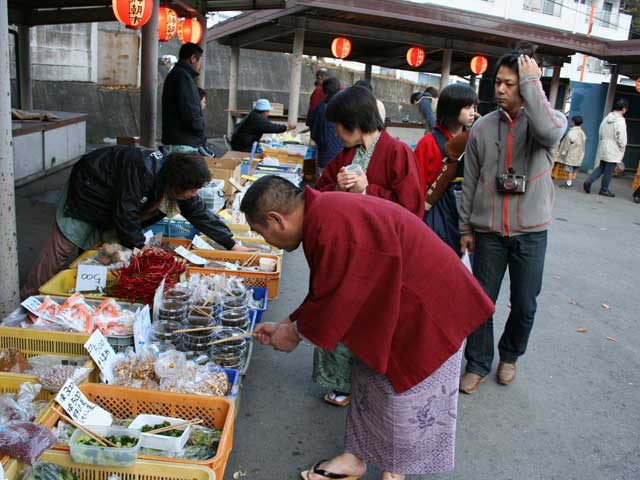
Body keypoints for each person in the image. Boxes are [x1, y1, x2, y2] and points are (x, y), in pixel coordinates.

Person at [242, 176, 494, 480]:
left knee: (408, 398)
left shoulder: (330, 222)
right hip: (392, 303)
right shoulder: (322, 215)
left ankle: (396, 468)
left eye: (261, 232)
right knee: (369, 384)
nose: (266, 241)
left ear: (276, 219)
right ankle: (355, 457)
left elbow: (341, 294)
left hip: (429, 307)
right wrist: (288, 323)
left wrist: (294, 333)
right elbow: (329, 286)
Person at [458, 44, 567, 394]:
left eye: (509, 83)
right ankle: (477, 362)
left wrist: (534, 81)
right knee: (479, 303)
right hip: (488, 232)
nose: (500, 89)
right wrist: (466, 228)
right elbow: (470, 180)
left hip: (531, 233)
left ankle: (510, 356)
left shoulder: (548, 124)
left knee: (524, 304)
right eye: (497, 82)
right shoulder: (482, 128)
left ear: (526, 86)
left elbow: (550, 133)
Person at [314, 85, 424, 407]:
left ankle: (368, 383)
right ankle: (341, 382)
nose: (335, 131)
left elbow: (411, 209)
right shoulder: (346, 155)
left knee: (371, 323)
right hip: (350, 252)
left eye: (339, 124)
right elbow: (320, 191)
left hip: (383, 256)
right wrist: (336, 186)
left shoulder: (397, 152)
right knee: (341, 316)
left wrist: (367, 190)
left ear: (356, 122)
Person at [21, 146, 253, 298]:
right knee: (63, 248)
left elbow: (198, 212)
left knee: (106, 253)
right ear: (177, 185)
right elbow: (125, 213)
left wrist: (231, 243)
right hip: (88, 189)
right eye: (193, 190)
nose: (194, 194)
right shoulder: (142, 171)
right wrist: (142, 247)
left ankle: (86, 290)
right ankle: (29, 298)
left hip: (112, 203)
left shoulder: (174, 179)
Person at [414, 83, 478, 256]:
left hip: (466, 213)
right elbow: (417, 185)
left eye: (474, 107)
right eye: (467, 107)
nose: (472, 112)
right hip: (437, 213)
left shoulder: (475, 139)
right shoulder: (428, 143)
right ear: (451, 108)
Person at [161, 42, 205, 153]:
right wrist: (200, 127)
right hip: (183, 143)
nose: (200, 65)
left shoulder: (177, 74)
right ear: (193, 58)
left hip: (177, 140)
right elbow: (190, 110)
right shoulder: (183, 77)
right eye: (200, 61)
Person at [584, 98, 629, 197]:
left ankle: (589, 181)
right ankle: (604, 189)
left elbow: (600, 131)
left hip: (604, 146)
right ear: (624, 109)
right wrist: (622, 147)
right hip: (614, 148)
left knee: (601, 167)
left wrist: (603, 141)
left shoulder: (607, 118)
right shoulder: (620, 121)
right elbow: (621, 137)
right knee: (609, 171)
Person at [310, 77, 344, 177]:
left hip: (325, 157)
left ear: (324, 92)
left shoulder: (321, 108)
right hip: (343, 158)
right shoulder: (346, 106)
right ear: (339, 89)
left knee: (324, 186)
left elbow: (314, 133)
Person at [556, 115, 586, 188]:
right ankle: (570, 181)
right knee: (574, 169)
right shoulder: (582, 133)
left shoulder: (571, 133)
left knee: (569, 170)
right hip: (579, 154)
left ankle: (568, 183)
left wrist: (563, 153)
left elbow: (566, 145)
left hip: (571, 154)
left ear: (573, 122)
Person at [196, 87, 215, 157]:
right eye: (204, 102)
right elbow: (199, 145)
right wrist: (212, 156)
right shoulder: (196, 118)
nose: (205, 104)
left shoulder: (198, 116)